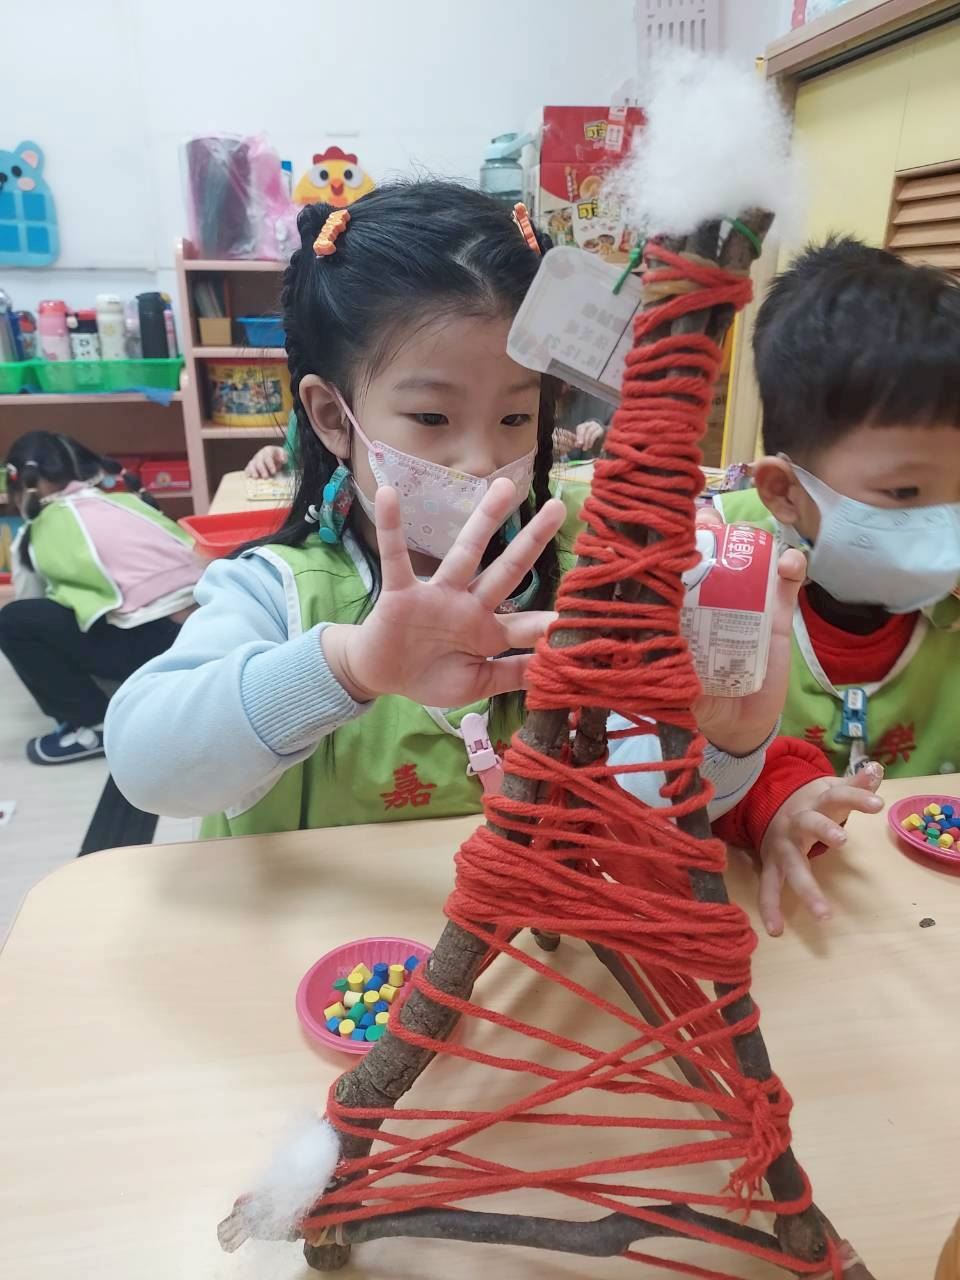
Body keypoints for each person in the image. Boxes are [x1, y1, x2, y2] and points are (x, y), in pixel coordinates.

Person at [106, 183, 879, 904]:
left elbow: (649, 824)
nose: (481, 460)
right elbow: (148, 765)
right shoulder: (277, 592)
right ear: (334, 417)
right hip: (323, 973)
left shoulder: (583, 572)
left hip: (536, 973)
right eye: (432, 419)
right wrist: (347, 666)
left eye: (515, 418)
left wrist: (726, 746)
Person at [710, 237, 960, 930]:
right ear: (785, 492)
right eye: (905, 492)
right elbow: (684, 761)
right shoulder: (717, 592)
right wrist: (773, 807)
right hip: (801, 914)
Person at [0, 432, 202, 764]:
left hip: (156, 644)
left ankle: (93, 727)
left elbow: (31, 604)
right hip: (207, 627)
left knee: (14, 622)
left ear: (19, 484)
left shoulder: (32, 534)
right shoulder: (128, 501)